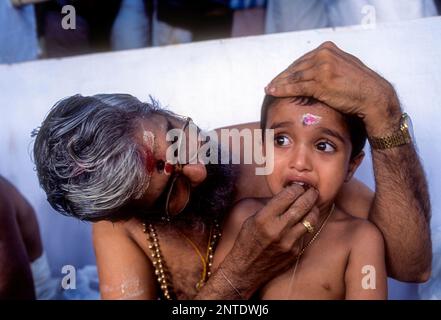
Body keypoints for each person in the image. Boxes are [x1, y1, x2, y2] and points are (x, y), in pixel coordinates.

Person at [32, 42, 431, 299]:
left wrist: (384, 111)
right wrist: (239, 275)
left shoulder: (274, 156)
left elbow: (414, 266)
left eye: (176, 138)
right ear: (132, 211)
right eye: (172, 191)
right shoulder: (122, 228)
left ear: (157, 108)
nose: (198, 170)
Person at [213, 95, 387, 299]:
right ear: (262, 151)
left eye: (324, 146)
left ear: (351, 166)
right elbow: (220, 293)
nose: (299, 162)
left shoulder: (361, 239)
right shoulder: (244, 217)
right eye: (281, 140)